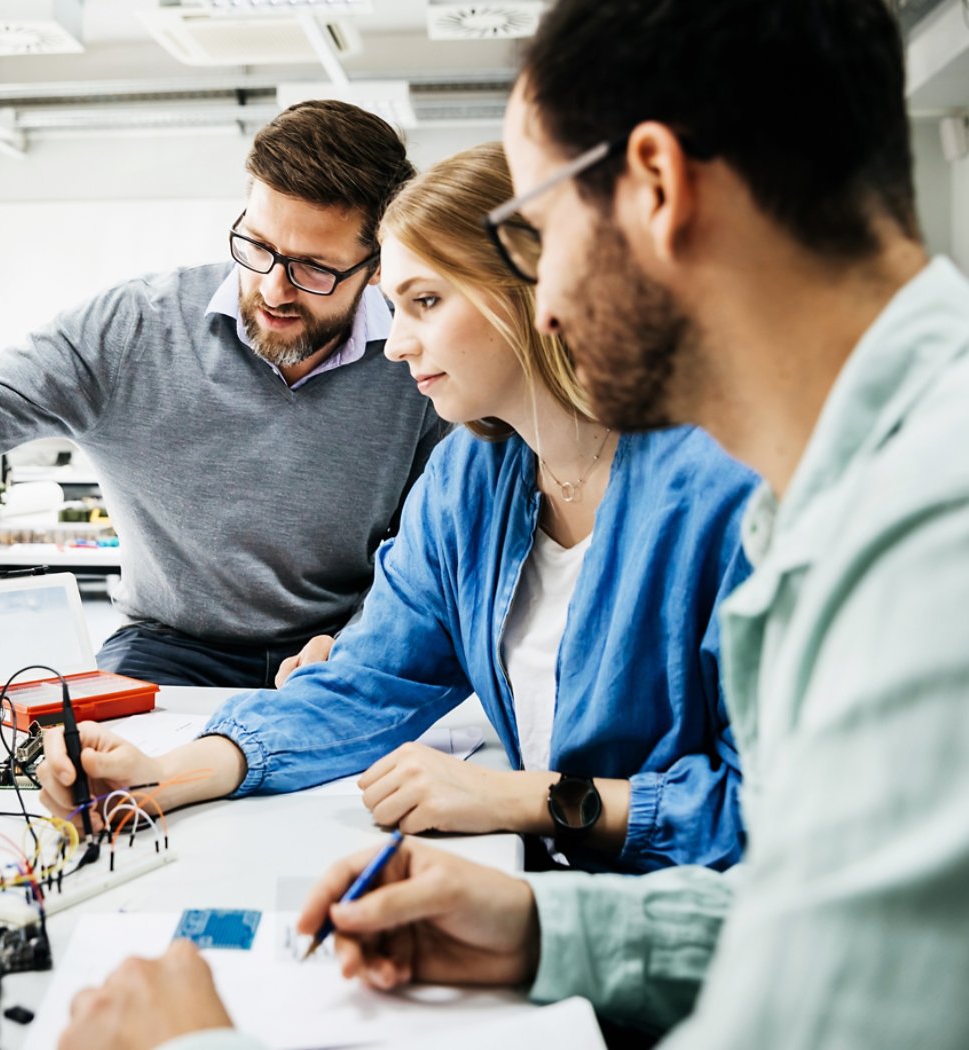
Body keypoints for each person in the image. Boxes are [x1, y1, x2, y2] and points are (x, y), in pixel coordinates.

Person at [56, 1, 969, 1048]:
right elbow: (805, 935)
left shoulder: (920, 538)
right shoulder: (844, 492)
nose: (543, 303)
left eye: (536, 232)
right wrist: (543, 926)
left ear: (658, 188)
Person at [39, 142, 757, 877]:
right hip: (555, 896)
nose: (396, 344)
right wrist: (165, 777)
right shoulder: (472, 478)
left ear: (536, 288)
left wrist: (528, 800)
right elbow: (367, 683)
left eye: (426, 302)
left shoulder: (726, 490)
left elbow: (766, 810)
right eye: (396, 306)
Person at [0, 101, 449, 689]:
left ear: (376, 265)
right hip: (165, 645)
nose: (274, 289)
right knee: (92, 789)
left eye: (314, 268)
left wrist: (365, 637)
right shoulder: (135, 328)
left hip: (343, 643)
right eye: (257, 246)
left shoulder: (417, 358)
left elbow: (434, 545)